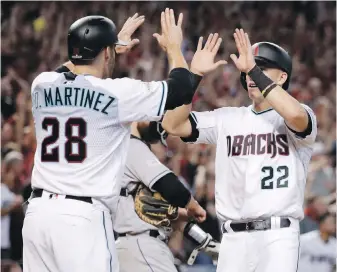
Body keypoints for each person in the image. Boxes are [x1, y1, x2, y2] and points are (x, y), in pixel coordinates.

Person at [22, 9, 206, 272]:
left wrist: (102, 48)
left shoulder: (42, 84)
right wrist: (175, 48)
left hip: (38, 216)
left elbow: (68, 73)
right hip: (82, 218)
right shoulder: (117, 93)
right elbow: (181, 89)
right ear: (107, 53)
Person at [162, 28, 318, 272]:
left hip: (277, 236)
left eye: (263, 68)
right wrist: (194, 75)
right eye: (248, 70)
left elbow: (296, 115)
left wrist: (252, 69)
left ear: (282, 77)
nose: (250, 74)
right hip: (233, 239)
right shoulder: (227, 118)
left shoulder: (299, 114)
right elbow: (172, 124)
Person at [113, 30, 226, 272]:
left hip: (137, 246)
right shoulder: (129, 145)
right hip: (141, 246)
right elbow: (171, 187)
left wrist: (203, 239)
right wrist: (193, 204)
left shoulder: (131, 149)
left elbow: (164, 212)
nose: (160, 130)